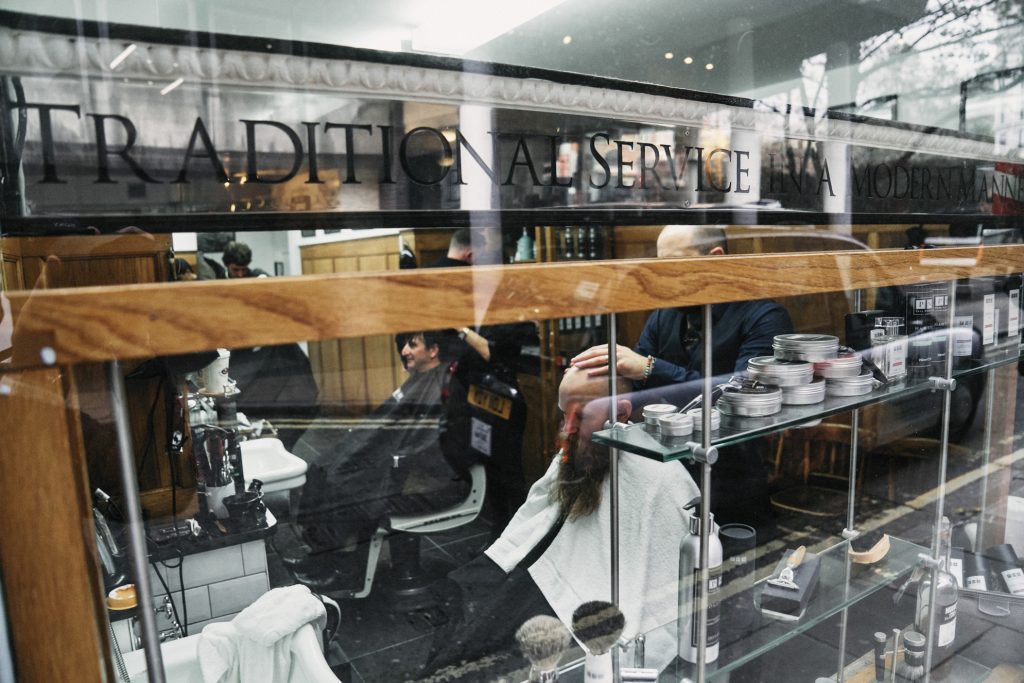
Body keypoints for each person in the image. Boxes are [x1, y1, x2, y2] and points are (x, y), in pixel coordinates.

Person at [417, 366, 699, 680]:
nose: (566, 430)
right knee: (462, 592)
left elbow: (658, 578)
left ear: (620, 413)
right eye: (563, 415)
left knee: (488, 646)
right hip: (543, 565)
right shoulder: (582, 449)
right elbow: (539, 516)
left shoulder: (660, 478)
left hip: (585, 594)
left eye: (580, 418)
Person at [570, 225, 794, 536]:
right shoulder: (665, 315)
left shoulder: (764, 317)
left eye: (672, 264)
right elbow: (636, 385)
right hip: (664, 478)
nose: (663, 276)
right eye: (660, 264)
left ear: (715, 258)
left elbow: (741, 397)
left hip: (732, 483)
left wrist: (650, 368)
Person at [290, 331, 474, 592]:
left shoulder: (441, 388)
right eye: (405, 345)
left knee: (357, 493)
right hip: (412, 474)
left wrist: (378, 464)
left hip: (436, 483)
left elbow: (427, 447)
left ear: (433, 351)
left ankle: (346, 571)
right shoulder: (420, 381)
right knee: (328, 471)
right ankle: (324, 558)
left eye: (413, 345)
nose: (405, 351)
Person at [428, 228, 537, 540]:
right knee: (489, 466)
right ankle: (498, 533)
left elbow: (493, 352)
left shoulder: (509, 310)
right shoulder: (484, 307)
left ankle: (514, 537)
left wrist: (460, 329)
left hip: (506, 396)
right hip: (481, 395)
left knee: (509, 471)